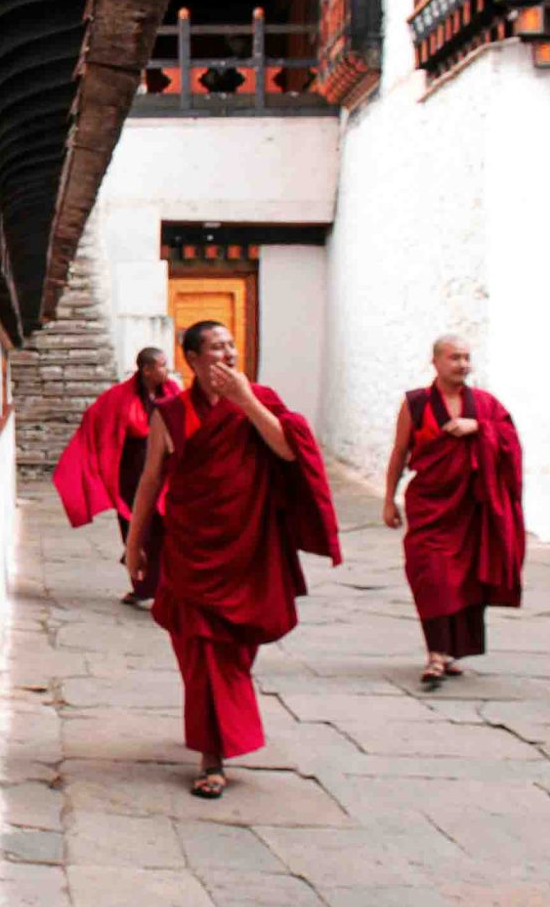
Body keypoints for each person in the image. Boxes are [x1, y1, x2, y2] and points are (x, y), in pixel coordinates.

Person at [125, 321, 339, 799]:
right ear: (194, 361)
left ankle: (211, 729)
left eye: (231, 345)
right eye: (216, 348)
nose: (228, 354)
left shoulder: (259, 399)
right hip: (190, 544)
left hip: (247, 546)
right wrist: (135, 542)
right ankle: (212, 755)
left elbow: (288, 449)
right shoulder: (171, 413)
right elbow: (150, 479)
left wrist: (248, 403)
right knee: (199, 649)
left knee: (232, 650)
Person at [381, 335, 525, 690]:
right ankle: (435, 652)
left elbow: (510, 439)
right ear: (436, 362)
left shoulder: (486, 405)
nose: (461, 364)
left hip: (471, 508)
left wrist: (478, 427)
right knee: (430, 575)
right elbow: (400, 452)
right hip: (430, 505)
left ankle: (447, 652)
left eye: (466, 357)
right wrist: (388, 498)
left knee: (463, 578)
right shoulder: (416, 404)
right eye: (454, 357)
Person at [52, 348, 182, 604]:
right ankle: (143, 586)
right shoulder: (120, 397)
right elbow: (95, 420)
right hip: (132, 473)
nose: (167, 371)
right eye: (162, 365)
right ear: (146, 369)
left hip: (164, 470)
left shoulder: (173, 391)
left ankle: (168, 587)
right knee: (135, 526)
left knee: (164, 528)